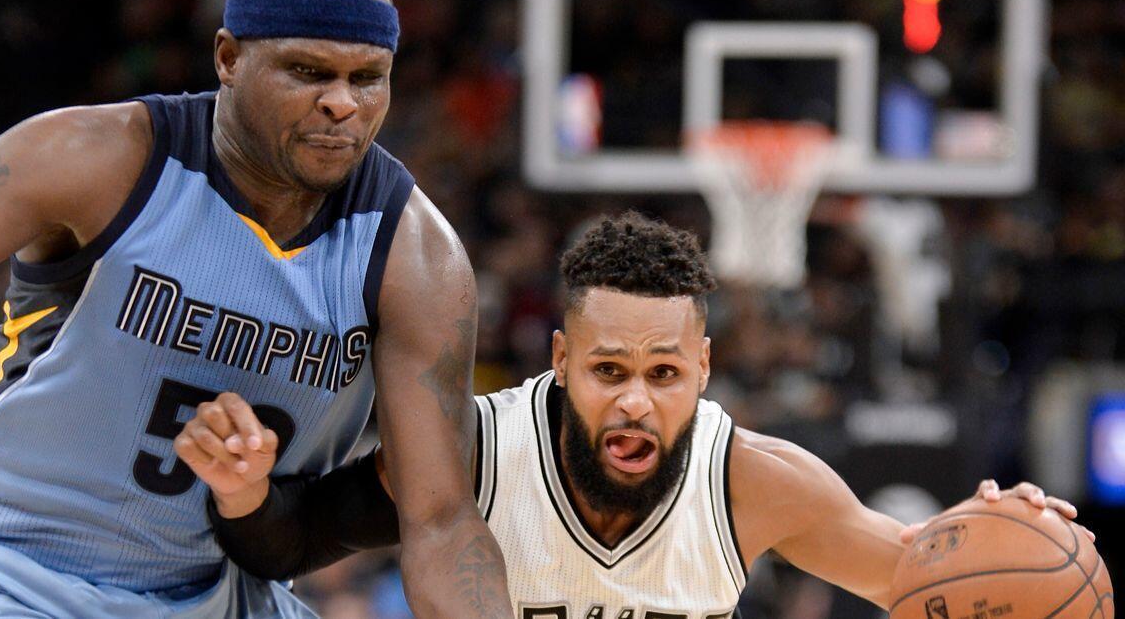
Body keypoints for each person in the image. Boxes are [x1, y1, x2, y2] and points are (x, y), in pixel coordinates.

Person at [0, 0, 511, 616]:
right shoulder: (94, 160)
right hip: (2, 570)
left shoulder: (416, 257)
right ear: (229, 58)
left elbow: (439, 520)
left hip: (222, 598)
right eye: (308, 71)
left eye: (368, 78)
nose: (342, 104)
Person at [188, 212, 1087, 617]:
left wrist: (1001, 531)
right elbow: (290, 546)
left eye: (663, 371)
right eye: (608, 369)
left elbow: (914, 579)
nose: (634, 398)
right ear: (561, 362)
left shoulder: (757, 484)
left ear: (703, 366)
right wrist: (243, 492)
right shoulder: (474, 450)